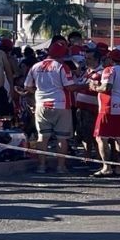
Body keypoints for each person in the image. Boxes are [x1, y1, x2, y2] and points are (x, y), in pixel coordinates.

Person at [22, 42, 77, 174]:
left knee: (42, 137)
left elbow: (27, 86)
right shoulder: (62, 67)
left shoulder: (35, 66)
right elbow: (70, 87)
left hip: (41, 105)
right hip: (61, 105)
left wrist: (39, 90)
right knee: (61, 138)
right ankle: (61, 166)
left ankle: (41, 166)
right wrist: (85, 86)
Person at [90, 48, 120, 177]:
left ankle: (106, 167)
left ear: (110, 59)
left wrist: (94, 87)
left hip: (108, 108)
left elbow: (106, 87)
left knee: (101, 138)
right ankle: (119, 168)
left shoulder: (109, 70)